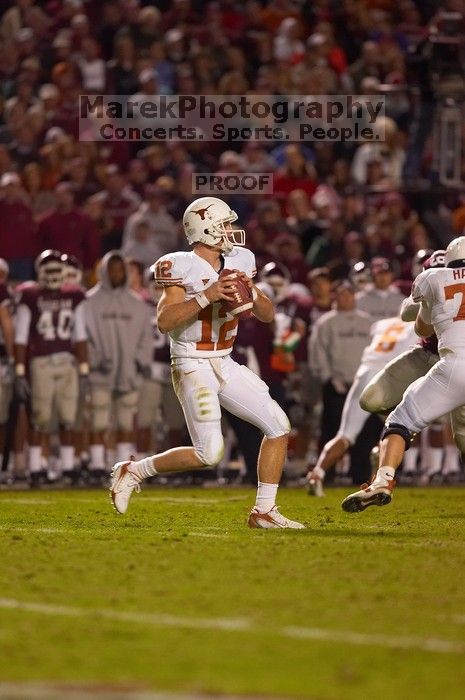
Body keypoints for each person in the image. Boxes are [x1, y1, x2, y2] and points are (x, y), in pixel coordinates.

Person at [110, 196, 304, 529]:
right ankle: (133, 470)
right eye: (225, 225)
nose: (231, 231)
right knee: (209, 453)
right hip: (190, 363)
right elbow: (165, 321)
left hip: (224, 361)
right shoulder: (179, 264)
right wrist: (207, 295)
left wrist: (252, 291)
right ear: (206, 229)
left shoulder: (241, 260)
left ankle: (264, 511)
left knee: (278, 426)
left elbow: (268, 315)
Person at [342, 236, 465, 513]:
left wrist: (431, 306)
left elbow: (420, 327)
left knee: (402, 419)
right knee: (377, 401)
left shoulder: (434, 278)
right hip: (431, 358)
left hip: (454, 365)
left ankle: (383, 479)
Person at [307, 316, 417, 496]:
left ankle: (317, 474)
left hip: (365, 372)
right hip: (388, 377)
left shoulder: (382, 324)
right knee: (403, 427)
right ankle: (380, 461)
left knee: (345, 434)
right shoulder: (418, 325)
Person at [13, 250, 89, 485]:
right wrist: (20, 371)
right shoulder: (31, 295)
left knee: (68, 417)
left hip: (67, 362)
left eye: (59, 270)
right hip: (42, 362)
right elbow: (21, 337)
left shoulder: (75, 295)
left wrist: (84, 369)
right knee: (40, 418)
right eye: (50, 270)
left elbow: (80, 335)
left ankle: (68, 468)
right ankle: (35, 468)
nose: (55, 275)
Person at [84, 251, 152, 480]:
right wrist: (93, 360)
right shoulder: (89, 301)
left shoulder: (137, 304)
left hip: (128, 372)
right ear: (103, 271)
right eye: (111, 269)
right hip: (100, 373)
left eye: (119, 269)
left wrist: (140, 361)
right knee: (98, 420)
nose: (115, 273)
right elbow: (83, 336)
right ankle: (96, 465)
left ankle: (121, 466)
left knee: (125, 421)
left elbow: (146, 337)